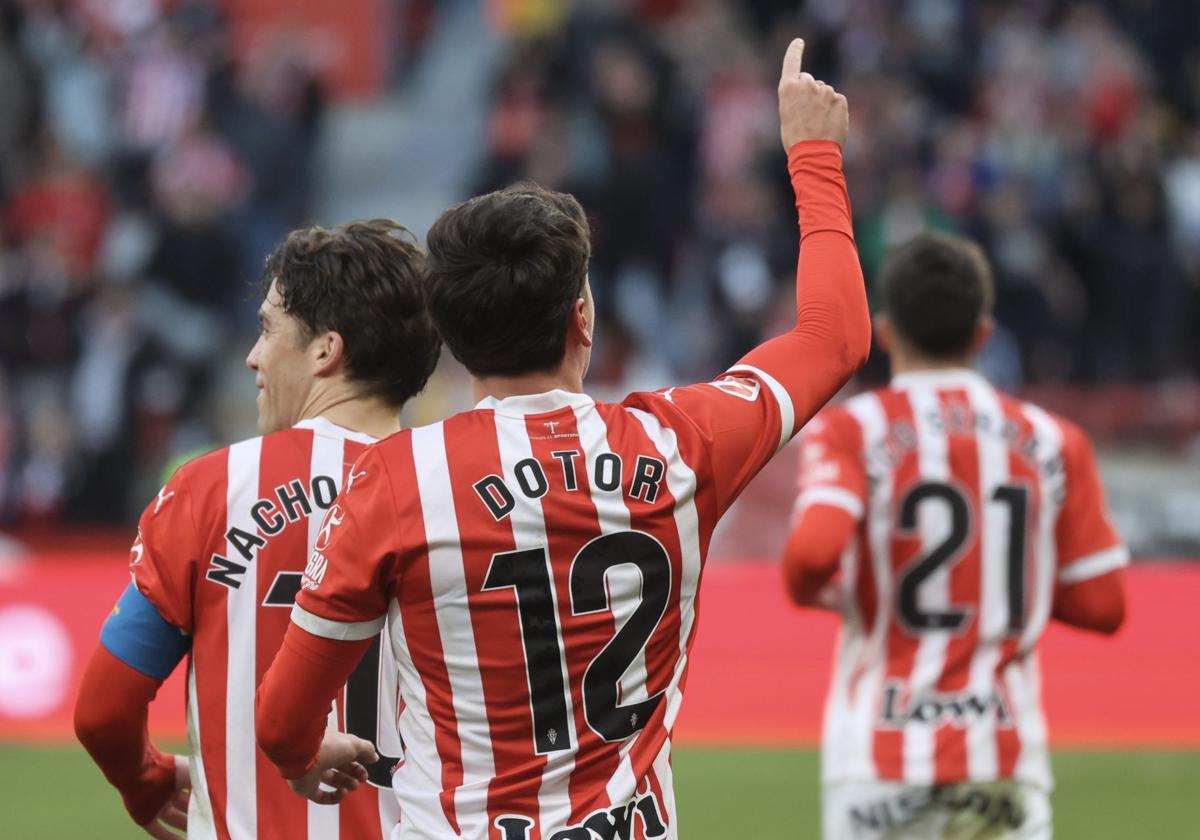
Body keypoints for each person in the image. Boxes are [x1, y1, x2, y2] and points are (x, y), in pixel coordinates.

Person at [254, 38, 870, 839]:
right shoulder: (679, 444)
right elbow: (835, 338)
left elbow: (279, 720)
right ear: (583, 319)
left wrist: (306, 754)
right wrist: (814, 155)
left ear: (448, 333)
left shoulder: (400, 480)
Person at [73, 220, 442, 840]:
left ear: (326, 350)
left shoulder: (210, 489)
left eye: (269, 329)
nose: (252, 355)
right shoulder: (458, 495)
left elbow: (104, 712)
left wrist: (149, 781)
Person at [781, 231, 1128, 839]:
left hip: (877, 758)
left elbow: (811, 555)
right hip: (1002, 757)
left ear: (886, 333)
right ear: (984, 334)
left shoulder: (853, 431)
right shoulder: (1053, 439)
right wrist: (1001, 584)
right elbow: (1104, 605)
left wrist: (834, 593)